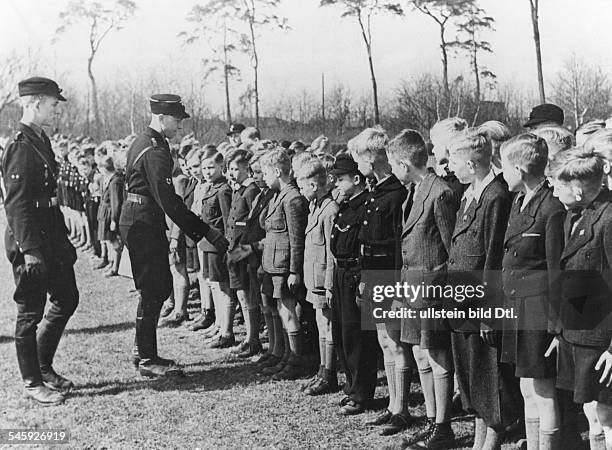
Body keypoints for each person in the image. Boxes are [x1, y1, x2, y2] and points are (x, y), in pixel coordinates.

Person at [119, 94, 228, 378]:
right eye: (177, 121)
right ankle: (146, 358)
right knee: (154, 287)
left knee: (156, 286)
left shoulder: (146, 141)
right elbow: (169, 201)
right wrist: (206, 231)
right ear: (162, 117)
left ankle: (141, 351)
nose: (180, 127)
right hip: (144, 222)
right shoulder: (154, 149)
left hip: (141, 219)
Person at [2, 77, 79, 405]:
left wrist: (62, 239)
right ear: (34, 103)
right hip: (31, 239)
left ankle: (43, 365)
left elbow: (50, 196)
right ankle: (33, 381)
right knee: (29, 312)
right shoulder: (21, 144)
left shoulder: (39, 139)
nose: (56, 111)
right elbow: (16, 204)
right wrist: (31, 252)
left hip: (51, 234)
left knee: (67, 297)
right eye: (52, 104)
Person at [387, 129, 459, 449]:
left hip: (432, 292)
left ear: (404, 164)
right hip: (413, 290)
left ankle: (443, 427)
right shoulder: (414, 191)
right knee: (421, 355)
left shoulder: (439, 192)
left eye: (392, 165)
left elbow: (450, 251)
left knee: (439, 356)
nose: (392, 171)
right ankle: (432, 420)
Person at [446, 129, 517, 450]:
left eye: (454, 161)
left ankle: (492, 441)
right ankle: (479, 441)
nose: (449, 167)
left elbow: (493, 257)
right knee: (471, 377)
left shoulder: (495, 196)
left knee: (488, 377)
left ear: (472, 165)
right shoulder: (470, 192)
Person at [499, 133, 565, 450]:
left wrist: (557, 326)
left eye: (505, 167)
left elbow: (556, 271)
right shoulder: (519, 201)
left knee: (543, 389)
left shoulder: (551, 207)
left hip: (539, 310)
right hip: (518, 306)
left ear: (520, 170)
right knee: (527, 387)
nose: (502, 173)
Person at [548, 149, 612, 450]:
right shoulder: (575, 216)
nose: (552, 189)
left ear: (577, 189)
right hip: (577, 335)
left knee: (606, 415)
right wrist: (561, 331)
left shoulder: (608, 219)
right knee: (591, 413)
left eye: (557, 184)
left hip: (601, 341)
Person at [350, 127, 410, 429]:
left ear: (371, 159)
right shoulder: (378, 191)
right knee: (384, 340)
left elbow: (398, 244)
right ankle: (392, 403)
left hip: (389, 274)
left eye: (359, 159)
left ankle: (402, 409)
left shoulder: (396, 193)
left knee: (396, 342)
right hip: (373, 274)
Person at [257, 148, 308, 380]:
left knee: (289, 313)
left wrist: (295, 271)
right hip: (274, 265)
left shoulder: (293, 199)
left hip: (285, 267)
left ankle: (295, 360)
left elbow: (297, 240)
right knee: (281, 310)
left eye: (265, 173)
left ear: (277, 171)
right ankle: (287, 356)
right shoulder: (278, 195)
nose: (263, 177)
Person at [296, 157, 339, 395]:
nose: (301, 191)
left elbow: (332, 254)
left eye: (303, 186)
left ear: (314, 185)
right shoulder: (315, 208)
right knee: (322, 326)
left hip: (324, 280)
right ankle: (322, 370)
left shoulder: (329, 211)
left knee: (328, 326)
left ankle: (329, 374)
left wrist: (330, 285)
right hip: (314, 279)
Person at [225, 149, 262, 357]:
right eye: (229, 169)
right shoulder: (238, 190)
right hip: (236, 250)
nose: (231, 173)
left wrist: (244, 249)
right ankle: (249, 337)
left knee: (249, 296)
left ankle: (253, 338)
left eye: (236, 169)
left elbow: (252, 226)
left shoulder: (251, 191)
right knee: (241, 294)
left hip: (246, 252)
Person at [198, 148, 233, 349]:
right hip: (208, 245)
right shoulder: (210, 188)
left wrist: (227, 247)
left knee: (223, 289)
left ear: (221, 167)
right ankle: (219, 326)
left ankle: (226, 332)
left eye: (211, 167)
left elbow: (228, 221)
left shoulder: (223, 190)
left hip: (219, 246)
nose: (207, 171)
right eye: (204, 168)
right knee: (215, 286)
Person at [96, 155, 124, 277]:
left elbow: (115, 202)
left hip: (109, 214)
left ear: (105, 168)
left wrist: (114, 219)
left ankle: (115, 267)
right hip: (104, 212)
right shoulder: (108, 179)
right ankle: (112, 263)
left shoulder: (115, 181)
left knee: (113, 241)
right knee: (108, 240)